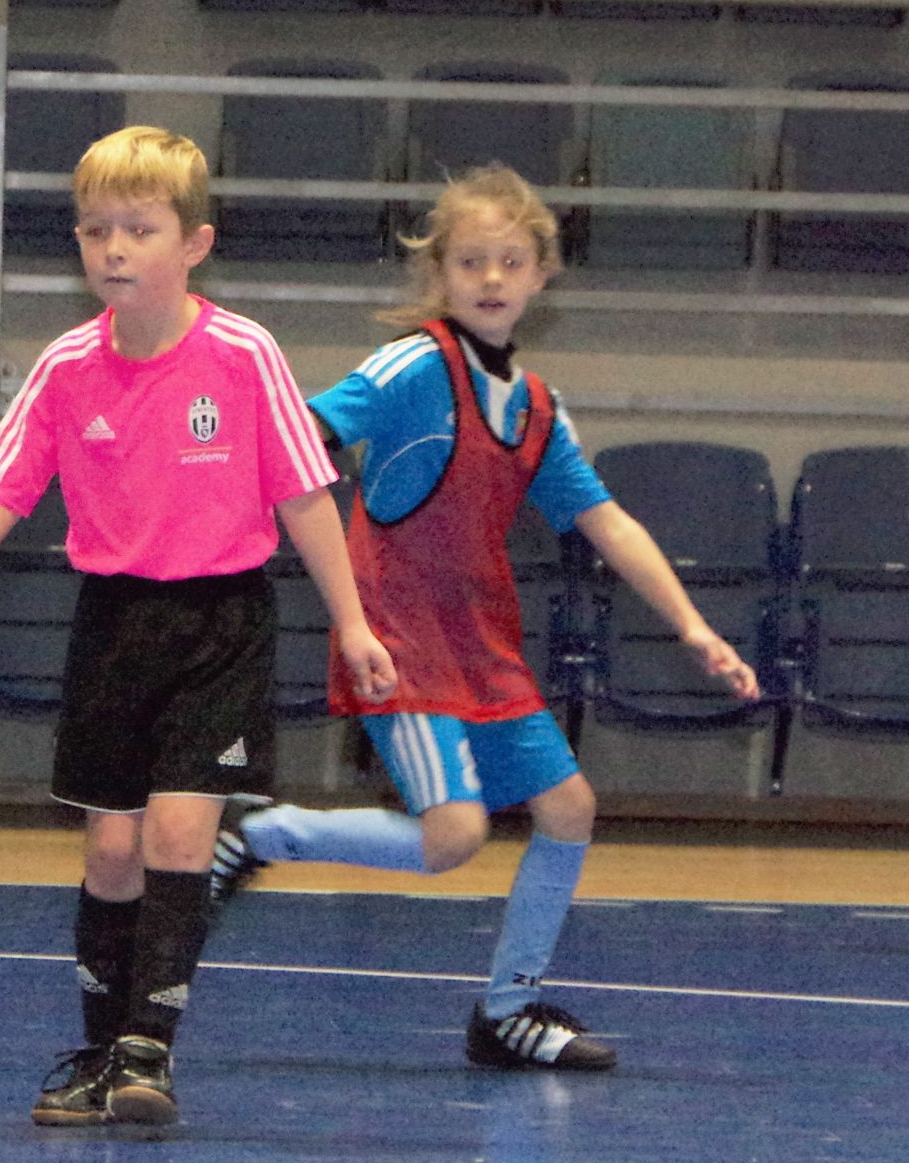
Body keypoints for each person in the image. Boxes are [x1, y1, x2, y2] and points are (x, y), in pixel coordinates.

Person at [0, 126, 396, 1127]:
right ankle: (97, 1050)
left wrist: (353, 623)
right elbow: (6, 483)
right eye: (95, 231)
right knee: (112, 852)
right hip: (114, 625)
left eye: (138, 228)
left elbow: (304, 494)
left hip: (221, 620)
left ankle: (146, 1052)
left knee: (177, 830)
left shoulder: (244, 355)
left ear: (194, 243)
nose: (114, 249)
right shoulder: (67, 365)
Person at [208, 165, 760, 1071]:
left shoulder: (536, 408)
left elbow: (607, 522)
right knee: (454, 836)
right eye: (471, 262)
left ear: (542, 274)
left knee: (569, 808)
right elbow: (302, 435)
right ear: (440, 274)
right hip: (398, 638)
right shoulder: (412, 366)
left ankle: (507, 1012)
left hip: (482, 645)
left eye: (510, 261)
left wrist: (693, 626)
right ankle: (259, 832)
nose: (492, 278)